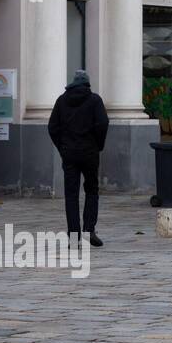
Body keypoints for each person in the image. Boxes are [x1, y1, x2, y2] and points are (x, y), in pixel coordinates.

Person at [47, 69, 109, 247]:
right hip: (90, 153)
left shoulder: (62, 100)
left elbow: (52, 127)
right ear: (87, 83)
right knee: (92, 190)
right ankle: (89, 229)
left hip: (70, 154)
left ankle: (74, 237)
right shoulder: (94, 100)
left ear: (73, 82)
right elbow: (103, 123)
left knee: (71, 195)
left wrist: (63, 147)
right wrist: (98, 144)